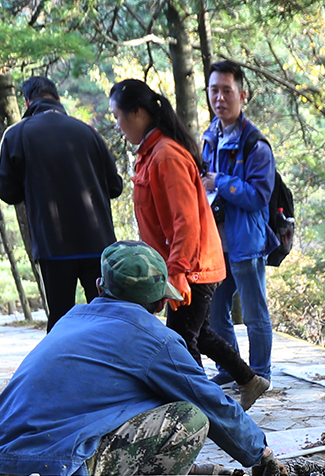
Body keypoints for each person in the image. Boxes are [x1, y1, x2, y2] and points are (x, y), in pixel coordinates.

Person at [0, 241, 286, 476]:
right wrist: (261, 453)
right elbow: (210, 402)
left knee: (148, 397)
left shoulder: (70, 319)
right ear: (161, 303)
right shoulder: (154, 339)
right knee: (189, 418)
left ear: (100, 287)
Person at [109, 78, 269, 411]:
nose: (117, 124)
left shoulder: (166, 155)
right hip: (182, 264)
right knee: (201, 332)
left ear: (137, 113)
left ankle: (204, 412)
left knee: (182, 344)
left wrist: (177, 272)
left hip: (192, 267)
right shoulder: (150, 153)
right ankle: (250, 380)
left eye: (118, 116)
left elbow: (186, 221)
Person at [0, 76, 126, 329]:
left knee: (60, 323)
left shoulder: (17, 133)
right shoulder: (88, 132)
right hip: (98, 244)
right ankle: (113, 366)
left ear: (26, 100)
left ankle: (63, 367)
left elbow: (5, 190)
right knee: (108, 318)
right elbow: (115, 186)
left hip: (53, 245)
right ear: (58, 98)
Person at [200, 59, 276, 384]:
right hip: (216, 243)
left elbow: (259, 195)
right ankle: (231, 370)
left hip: (246, 242)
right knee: (216, 313)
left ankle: (260, 374)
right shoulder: (209, 137)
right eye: (214, 91)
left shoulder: (255, 145)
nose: (220, 98)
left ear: (242, 95)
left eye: (226, 91)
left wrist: (220, 182)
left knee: (255, 314)